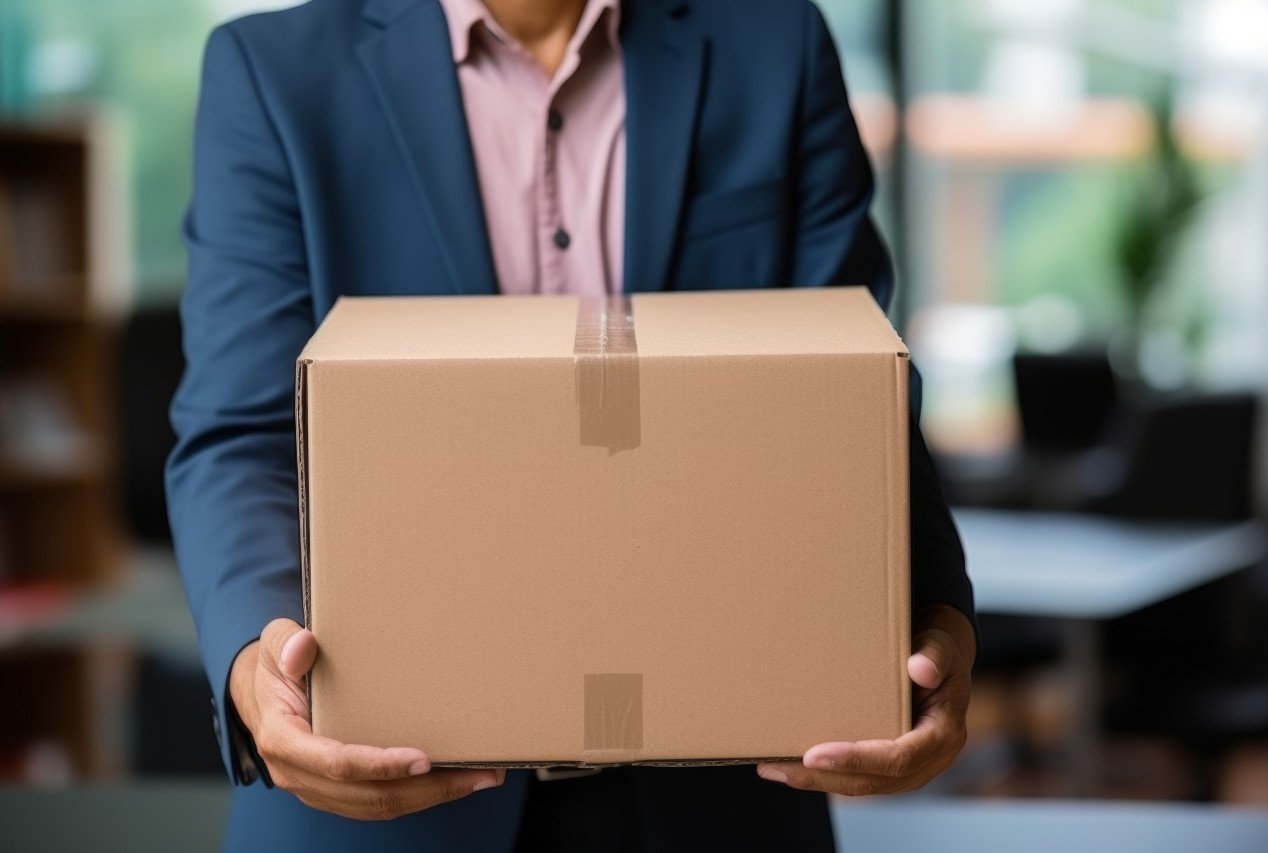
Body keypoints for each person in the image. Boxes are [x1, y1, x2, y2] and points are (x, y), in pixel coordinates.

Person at [165, 0, 978, 849]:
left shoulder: (774, 45)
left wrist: (937, 617)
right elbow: (241, 433)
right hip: (386, 784)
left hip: (726, 780)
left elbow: (858, 397)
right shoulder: (273, 71)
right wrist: (259, 666)